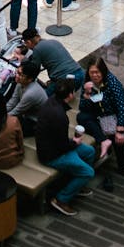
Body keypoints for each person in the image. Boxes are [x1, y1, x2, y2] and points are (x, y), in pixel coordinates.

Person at [37, 78, 96, 217]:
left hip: (54, 145)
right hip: (52, 155)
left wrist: (73, 143)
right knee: (88, 172)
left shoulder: (52, 101)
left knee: (90, 152)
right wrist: (75, 143)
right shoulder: (59, 116)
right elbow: (62, 146)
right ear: (70, 95)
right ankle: (60, 199)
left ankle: (76, 184)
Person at [78, 56, 124, 186]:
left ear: (103, 71)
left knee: (118, 138)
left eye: (97, 72)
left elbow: (123, 108)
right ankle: (104, 141)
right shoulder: (87, 82)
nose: (95, 75)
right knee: (81, 117)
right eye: (92, 72)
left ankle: (123, 166)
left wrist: (120, 129)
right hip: (97, 114)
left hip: (112, 116)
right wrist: (86, 94)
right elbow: (82, 107)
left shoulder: (112, 83)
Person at [18, 28, 84, 90]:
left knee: (45, 99)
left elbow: (34, 70)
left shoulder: (37, 49)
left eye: (26, 44)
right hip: (80, 74)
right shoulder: (53, 41)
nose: (26, 46)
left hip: (65, 79)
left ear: (29, 42)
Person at [7, 59, 48, 134]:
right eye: (17, 72)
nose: (17, 75)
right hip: (26, 114)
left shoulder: (31, 94)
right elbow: (12, 102)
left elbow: (17, 110)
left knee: (8, 129)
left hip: (35, 121)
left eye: (20, 74)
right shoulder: (20, 83)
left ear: (30, 79)